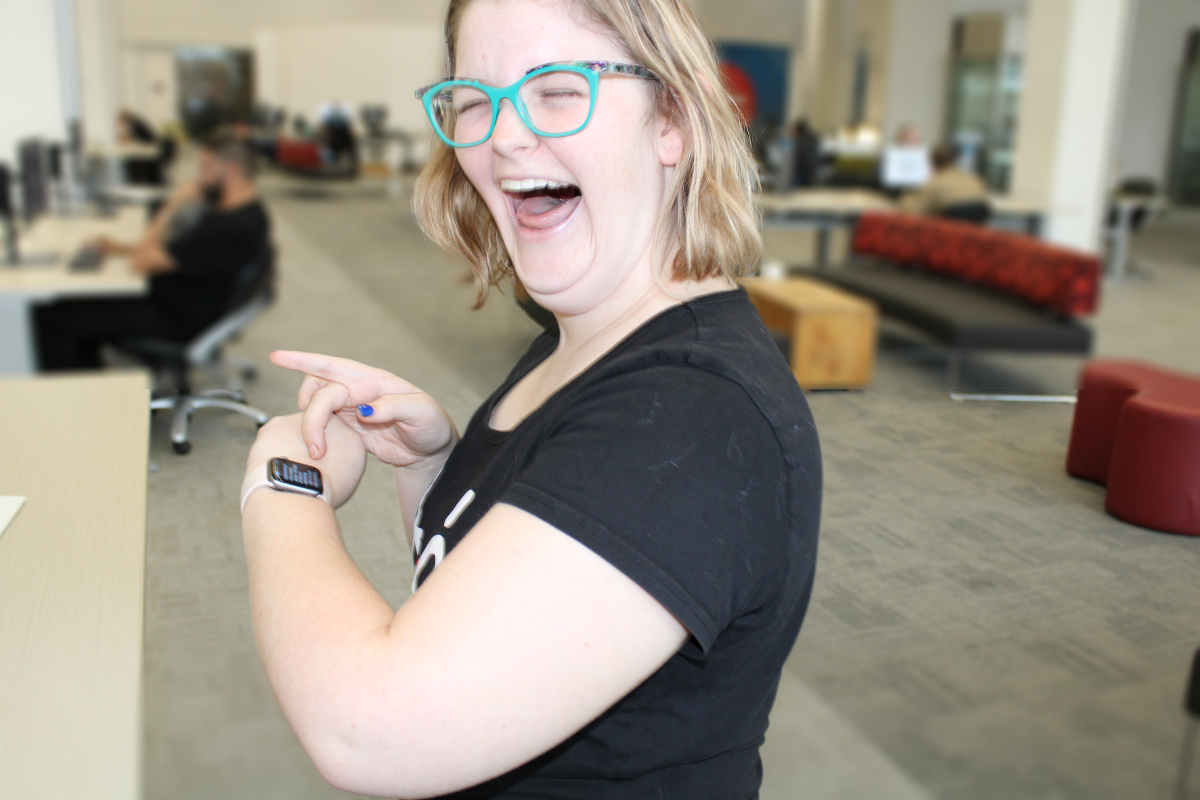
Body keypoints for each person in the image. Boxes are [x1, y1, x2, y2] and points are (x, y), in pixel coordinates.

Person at [239, 0, 821, 797]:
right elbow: (496, 600)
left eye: (557, 87)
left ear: (672, 120)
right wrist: (435, 468)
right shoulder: (581, 338)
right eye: (476, 99)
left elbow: (371, 729)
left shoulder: (688, 415)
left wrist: (283, 483)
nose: (504, 134)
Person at [34, 136, 270, 371]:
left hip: (175, 317)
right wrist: (119, 248)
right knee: (75, 308)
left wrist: (171, 205)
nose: (200, 178)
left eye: (206, 168)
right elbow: (175, 252)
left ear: (231, 171)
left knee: (53, 317)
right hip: (182, 299)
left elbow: (142, 263)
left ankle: (71, 401)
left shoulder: (229, 229)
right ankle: (87, 376)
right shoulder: (246, 212)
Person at [901, 142, 990, 217]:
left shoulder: (937, 181)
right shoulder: (973, 178)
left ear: (933, 162)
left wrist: (906, 197)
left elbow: (915, 212)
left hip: (951, 228)